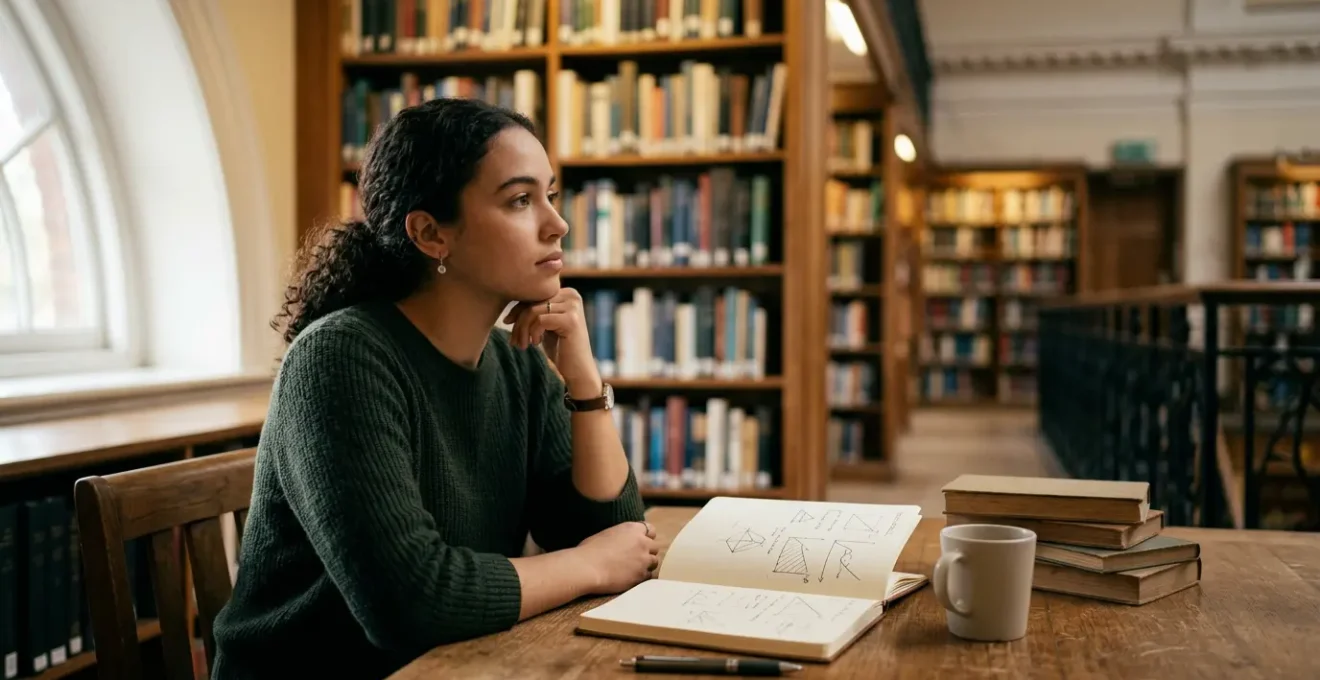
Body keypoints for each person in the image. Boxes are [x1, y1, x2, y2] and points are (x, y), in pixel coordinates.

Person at [210, 97, 657, 680]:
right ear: (429, 233)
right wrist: (590, 566)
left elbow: (615, 536)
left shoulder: (516, 362)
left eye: (550, 194)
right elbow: (414, 602)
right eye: (521, 200)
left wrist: (584, 384)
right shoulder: (339, 359)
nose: (558, 223)